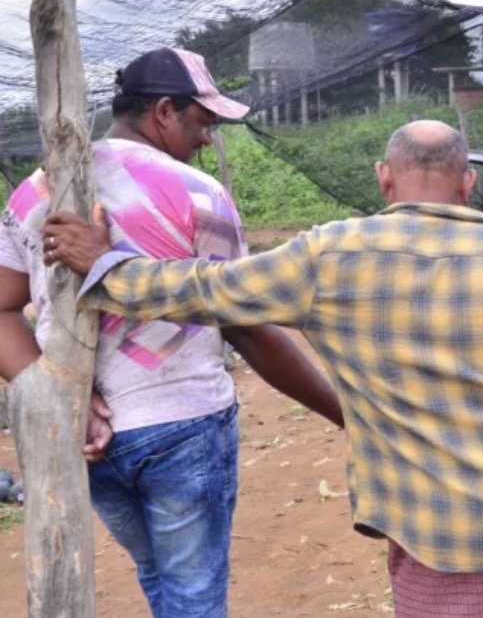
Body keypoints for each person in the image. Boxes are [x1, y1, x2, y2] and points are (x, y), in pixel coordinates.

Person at [45, 120, 483, 618]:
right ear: (467, 184)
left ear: (384, 179)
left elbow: (208, 290)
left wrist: (106, 267)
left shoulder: (332, 256)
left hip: (433, 530)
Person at [0, 47, 344, 618]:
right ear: (164, 111)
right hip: (182, 427)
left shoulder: (34, 193)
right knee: (193, 597)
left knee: (158, 577)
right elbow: (248, 330)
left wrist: (56, 390)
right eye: (203, 122)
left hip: (87, 434)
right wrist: (343, 412)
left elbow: (1, 309)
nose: (207, 138)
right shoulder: (196, 193)